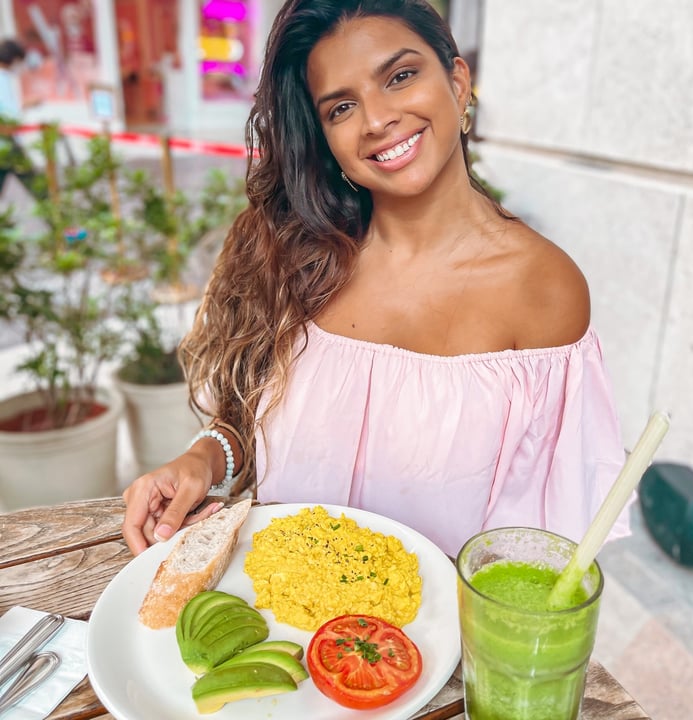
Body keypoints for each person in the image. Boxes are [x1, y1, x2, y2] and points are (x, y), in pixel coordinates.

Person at [122, 0, 629, 558]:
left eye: (401, 76)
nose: (376, 119)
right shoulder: (300, 256)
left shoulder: (542, 289)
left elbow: (541, 544)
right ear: (325, 138)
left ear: (458, 83)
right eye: (341, 108)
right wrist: (204, 458)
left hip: (432, 639)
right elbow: (253, 423)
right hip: (278, 617)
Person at [0, 38, 44, 199]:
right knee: (38, 188)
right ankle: (58, 221)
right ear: (14, 59)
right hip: (7, 144)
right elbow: (9, 116)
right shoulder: (2, 79)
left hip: (6, 144)